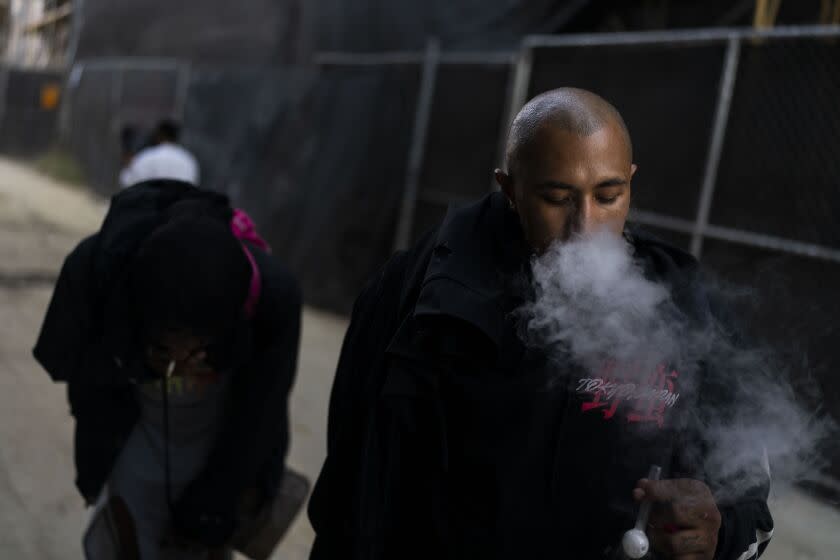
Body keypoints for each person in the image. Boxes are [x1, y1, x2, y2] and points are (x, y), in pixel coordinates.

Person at [307, 88, 774, 559]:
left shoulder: (686, 306)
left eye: (609, 195)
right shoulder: (421, 294)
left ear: (631, 182)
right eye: (556, 198)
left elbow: (747, 495)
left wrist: (720, 531)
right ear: (509, 188)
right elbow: (351, 491)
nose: (584, 229)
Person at [33, 180, 302, 558]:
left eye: (198, 348)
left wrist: (217, 501)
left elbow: (262, 410)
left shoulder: (270, 294)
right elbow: (79, 375)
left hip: (217, 443)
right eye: (168, 343)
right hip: (138, 444)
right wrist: (138, 364)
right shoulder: (99, 272)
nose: (182, 359)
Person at [120, 120, 201, 188]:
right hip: (180, 205)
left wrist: (128, 165)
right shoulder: (188, 160)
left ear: (159, 134)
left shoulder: (147, 156)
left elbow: (128, 182)